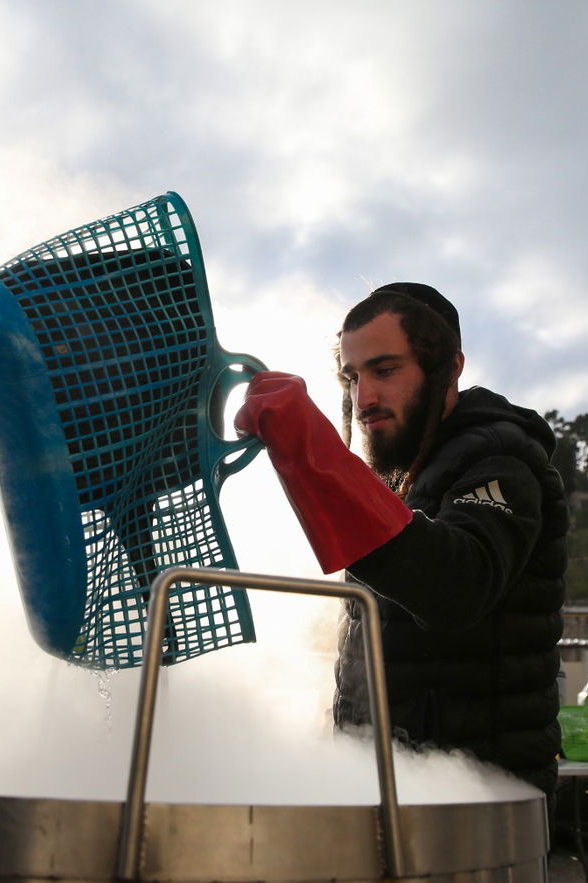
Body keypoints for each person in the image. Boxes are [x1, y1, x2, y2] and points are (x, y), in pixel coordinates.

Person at [233, 282, 568, 796]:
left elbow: (456, 587)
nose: (363, 398)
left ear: (448, 367)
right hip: (389, 786)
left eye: (385, 371)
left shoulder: (501, 460)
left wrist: (310, 451)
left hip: (475, 804)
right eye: (352, 377)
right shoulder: (403, 478)